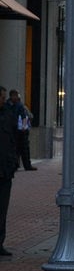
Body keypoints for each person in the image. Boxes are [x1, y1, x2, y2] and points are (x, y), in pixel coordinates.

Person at [0, 87, 17, 256]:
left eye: (4, 97)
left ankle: (0, 243)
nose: (3, 100)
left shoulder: (9, 114)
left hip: (5, 170)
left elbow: (17, 139)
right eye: (2, 97)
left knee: (2, 209)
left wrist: (14, 163)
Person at [6, 89, 33, 170]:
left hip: (20, 130)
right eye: (15, 96)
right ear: (11, 96)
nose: (17, 98)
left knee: (24, 148)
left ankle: (26, 165)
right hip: (12, 129)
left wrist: (24, 127)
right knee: (15, 148)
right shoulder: (7, 105)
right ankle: (15, 164)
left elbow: (24, 116)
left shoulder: (19, 105)